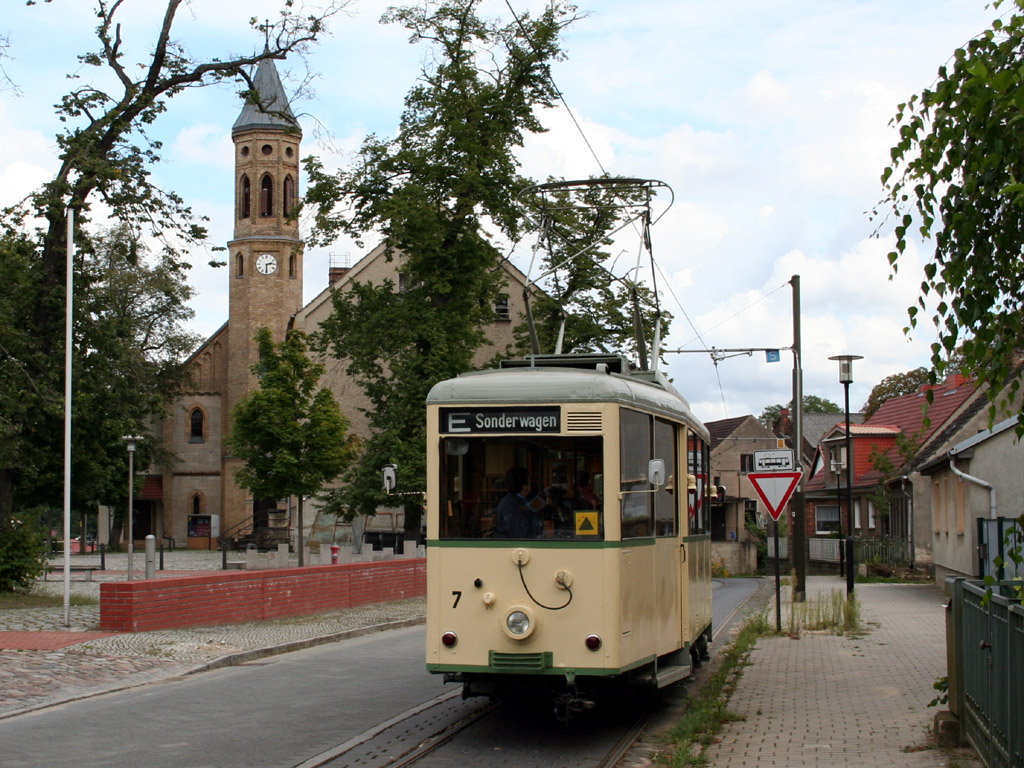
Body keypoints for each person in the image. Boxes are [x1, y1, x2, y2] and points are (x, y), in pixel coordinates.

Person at [495, 467, 543, 539]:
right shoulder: (512, 505)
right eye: (529, 481)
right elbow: (519, 533)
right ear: (524, 486)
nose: (531, 484)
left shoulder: (518, 500)